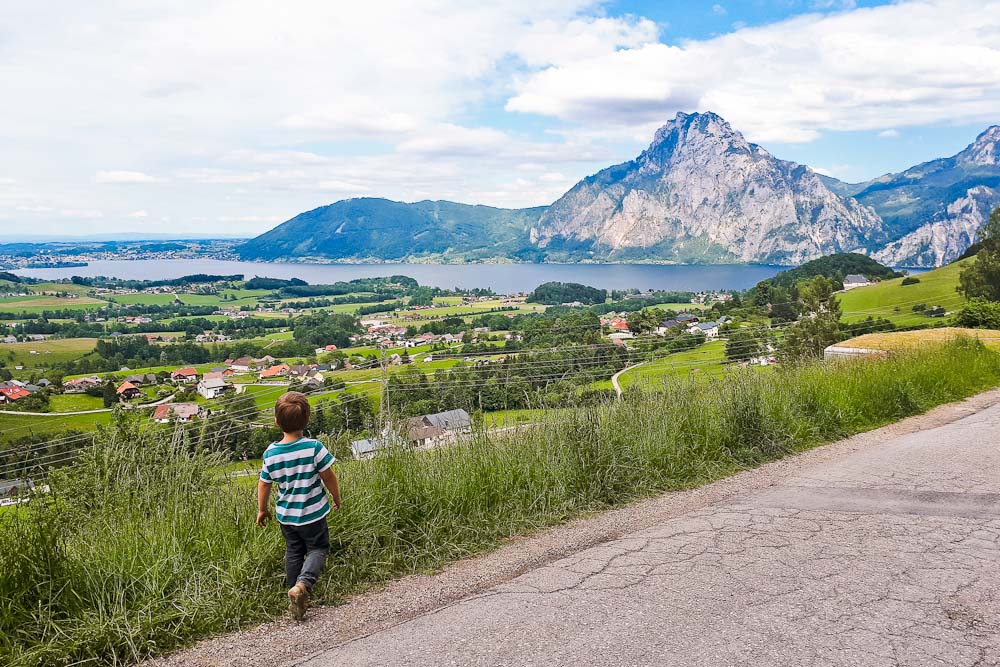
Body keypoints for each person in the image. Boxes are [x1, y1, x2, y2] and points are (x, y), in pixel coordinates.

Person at [257, 391, 341, 621]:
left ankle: (293, 593)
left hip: (287, 516)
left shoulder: (270, 453)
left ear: (276, 422)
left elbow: (264, 484)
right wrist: (336, 497)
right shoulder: (313, 447)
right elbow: (328, 476)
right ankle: (303, 585)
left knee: (293, 551)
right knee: (318, 549)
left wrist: (262, 509)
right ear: (307, 420)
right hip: (313, 514)